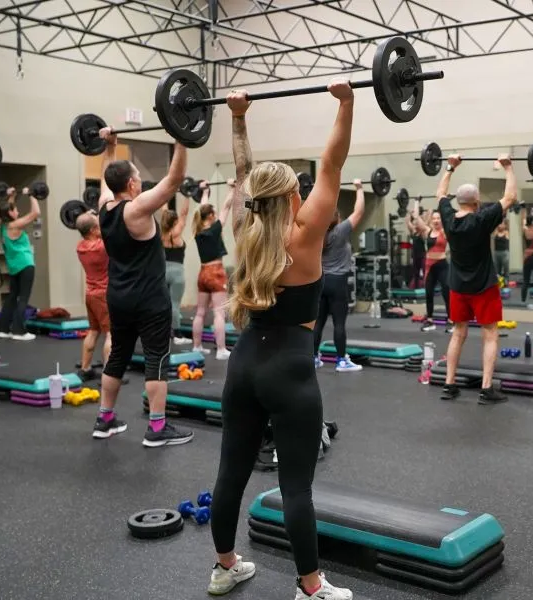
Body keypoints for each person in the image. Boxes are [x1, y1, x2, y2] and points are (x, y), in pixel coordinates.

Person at [207, 81, 354, 600]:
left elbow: (244, 173)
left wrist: (239, 118)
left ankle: (225, 566)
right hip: (290, 369)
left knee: (231, 472)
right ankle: (310, 587)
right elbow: (332, 162)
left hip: (245, 362)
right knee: (295, 486)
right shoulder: (307, 229)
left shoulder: (246, 228)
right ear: (293, 194)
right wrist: (346, 103)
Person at [89, 127, 193, 447]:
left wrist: (110, 147)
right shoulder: (137, 209)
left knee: (118, 355)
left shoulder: (104, 207)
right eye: (137, 177)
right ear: (132, 184)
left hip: (118, 297)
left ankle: (105, 419)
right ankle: (157, 428)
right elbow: (174, 181)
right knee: (156, 359)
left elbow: (105, 180)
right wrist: (181, 137)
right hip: (148, 299)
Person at [437, 154, 519, 405]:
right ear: (477, 201)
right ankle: (486, 388)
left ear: (458, 201)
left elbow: (440, 194)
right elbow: (510, 197)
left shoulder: (449, 219)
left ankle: (449, 384)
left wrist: (450, 167)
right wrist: (508, 168)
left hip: (458, 287)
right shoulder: (482, 219)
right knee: (490, 334)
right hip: (483, 286)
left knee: (457, 332)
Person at [313, 178, 366, 373]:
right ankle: (341, 360)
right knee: (339, 323)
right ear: (337, 218)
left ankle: (313, 358)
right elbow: (359, 212)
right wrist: (359, 188)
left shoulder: (316, 234)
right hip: (337, 282)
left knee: (318, 322)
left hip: (320, 281)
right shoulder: (340, 231)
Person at [190, 180, 235, 360]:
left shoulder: (198, 230)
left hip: (202, 274)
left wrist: (205, 192)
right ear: (210, 216)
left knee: (200, 312)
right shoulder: (215, 229)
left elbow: (204, 209)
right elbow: (226, 207)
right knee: (219, 313)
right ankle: (221, 349)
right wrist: (231, 188)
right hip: (216, 273)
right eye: (213, 213)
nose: (216, 215)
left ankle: (196, 346)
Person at [0, 186, 41, 341]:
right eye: (15, 210)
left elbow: (6, 209)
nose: (18, 212)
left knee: (12, 297)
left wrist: (12, 196)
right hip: (25, 265)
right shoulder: (15, 225)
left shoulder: (2, 226)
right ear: (10, 213)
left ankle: (3, 329)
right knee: (23, 298)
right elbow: (35, 213)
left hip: (14, 267)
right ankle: (18, 331)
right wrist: (32, 195)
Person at [74, 210, 112, 381]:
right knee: (112, 334)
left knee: (94, 331)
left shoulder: (80, 247)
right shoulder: (102, 247)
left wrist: (90, 216)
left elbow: (88, 226)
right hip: (104, 294)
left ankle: (85, 369)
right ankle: (110, 374)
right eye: (97, 226)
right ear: (91, 231)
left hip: (90, 294)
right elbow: (111, 230)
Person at [411, 203, 451, 332]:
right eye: (434, 218)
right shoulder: (427, 231)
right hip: (429, 266)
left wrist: (447, 204)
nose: (435, 220)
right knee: (428, 293)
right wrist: (417, 202)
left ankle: (451, 320)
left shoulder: (444, 232)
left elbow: (450, 218)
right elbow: (416, 218)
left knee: (446, 293)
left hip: (442, 265)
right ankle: (429, 320)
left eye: (438, 218)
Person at [162, 192, 191, 344]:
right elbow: (184, 213)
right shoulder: (176, 233)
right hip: (177, 272)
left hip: (163, 271)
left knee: (164, 304)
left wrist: (164, 194)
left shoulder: (162, 234)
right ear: (175, 221)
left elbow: (164, 211)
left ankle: (166, 332)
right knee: (175, 304)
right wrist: (188, 195)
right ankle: (178, 335)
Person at [405, 206, 426, 288]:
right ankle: (416, 287)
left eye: (416, 223)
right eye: (414, 223)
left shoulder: (422, 232)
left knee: (424, 273)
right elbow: (407, 222)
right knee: (415, 274)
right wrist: (410, 213)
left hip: (422, 256)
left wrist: (419, 214)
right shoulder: (413, 231)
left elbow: (423, 221)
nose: (414, 224)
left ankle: (425, 288)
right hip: (415, 256)